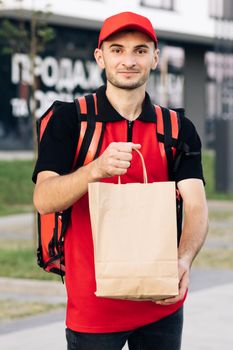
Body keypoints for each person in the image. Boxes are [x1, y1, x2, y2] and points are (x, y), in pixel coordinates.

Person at [33, 11, 208, 350]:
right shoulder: (70, 120)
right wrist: (95, 169)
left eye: (140, 50)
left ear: (155, 58)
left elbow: (196, 204)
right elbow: (44, 199)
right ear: (100, 57)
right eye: (117, 49)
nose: (128, 60)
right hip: (93, 304)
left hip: (161, 300)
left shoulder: (177, 129)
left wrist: (184, 259)